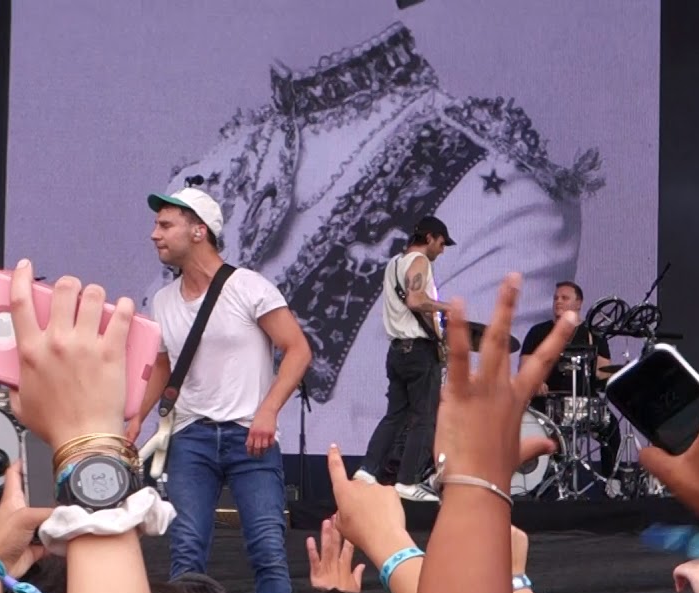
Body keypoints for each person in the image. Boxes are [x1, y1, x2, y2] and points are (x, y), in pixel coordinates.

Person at [145, 22, 602, 454]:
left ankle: (384, 474)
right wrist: (446, 311)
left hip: (320, 415)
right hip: (384, 366)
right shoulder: (226, 159)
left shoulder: (502, 187)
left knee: (411, 416)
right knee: (411, 413)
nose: (156, 234)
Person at [129, 185, 312, 593]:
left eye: (165, 225)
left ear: (198, 231)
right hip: (191, 436)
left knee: (268, 551)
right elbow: (164, 363)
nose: (155, 234)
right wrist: (134, 417)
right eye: (157, 224)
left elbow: (297, 349)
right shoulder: (164, 299)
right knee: (187, 550)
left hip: (250, 435)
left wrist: (268, 411)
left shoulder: (248, 286)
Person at [352, 216, 454, 502]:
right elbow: (416, 300)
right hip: (419, 353)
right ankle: (407, 482)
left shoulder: (394, 263)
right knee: (424, 418)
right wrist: (448, 308)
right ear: (431, 237)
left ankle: (368, 470)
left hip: (397, 351)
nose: (442, 250)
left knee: (395, 414)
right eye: (441, 243)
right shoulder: (420, 261)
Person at [519, 281, 621, 479]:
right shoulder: (538, 332)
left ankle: (612, 482)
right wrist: (535, 382)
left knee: (612, 429)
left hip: (584, 403)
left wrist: (615, 374)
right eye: (556, 298)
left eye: (564, 298)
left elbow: (603, 372)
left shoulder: (594, 335)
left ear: (579, 303)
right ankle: (539, 483)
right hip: (547, 402)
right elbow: (525, 369)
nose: (558, 302)